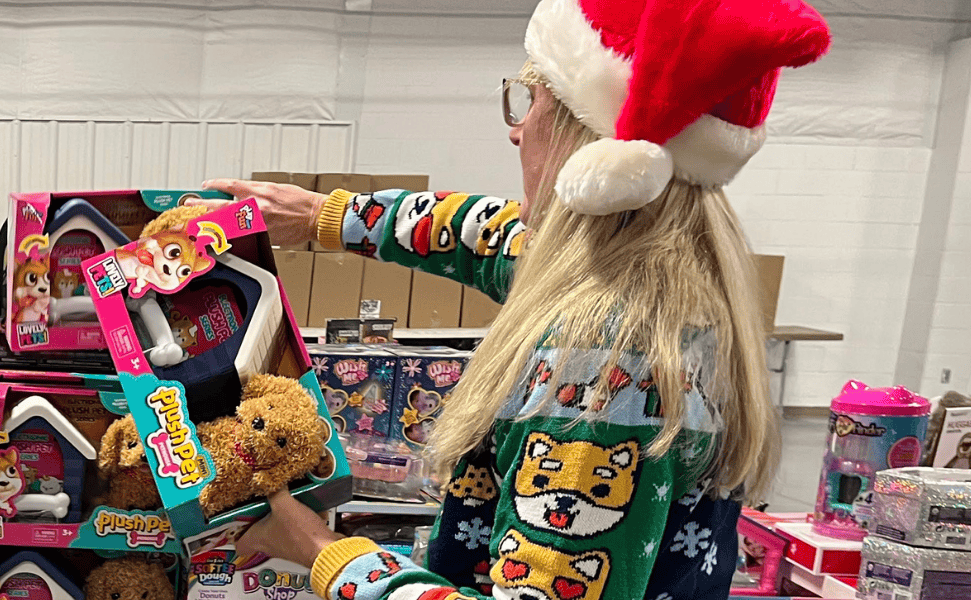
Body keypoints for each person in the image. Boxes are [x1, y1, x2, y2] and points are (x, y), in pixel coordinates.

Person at [196, 1, 832, 599]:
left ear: (596, 152)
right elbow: (484, 235)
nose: (517, 130)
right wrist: (322, 216)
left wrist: (322, 551)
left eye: (532, 101)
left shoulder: (601, 366)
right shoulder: (672, 280)